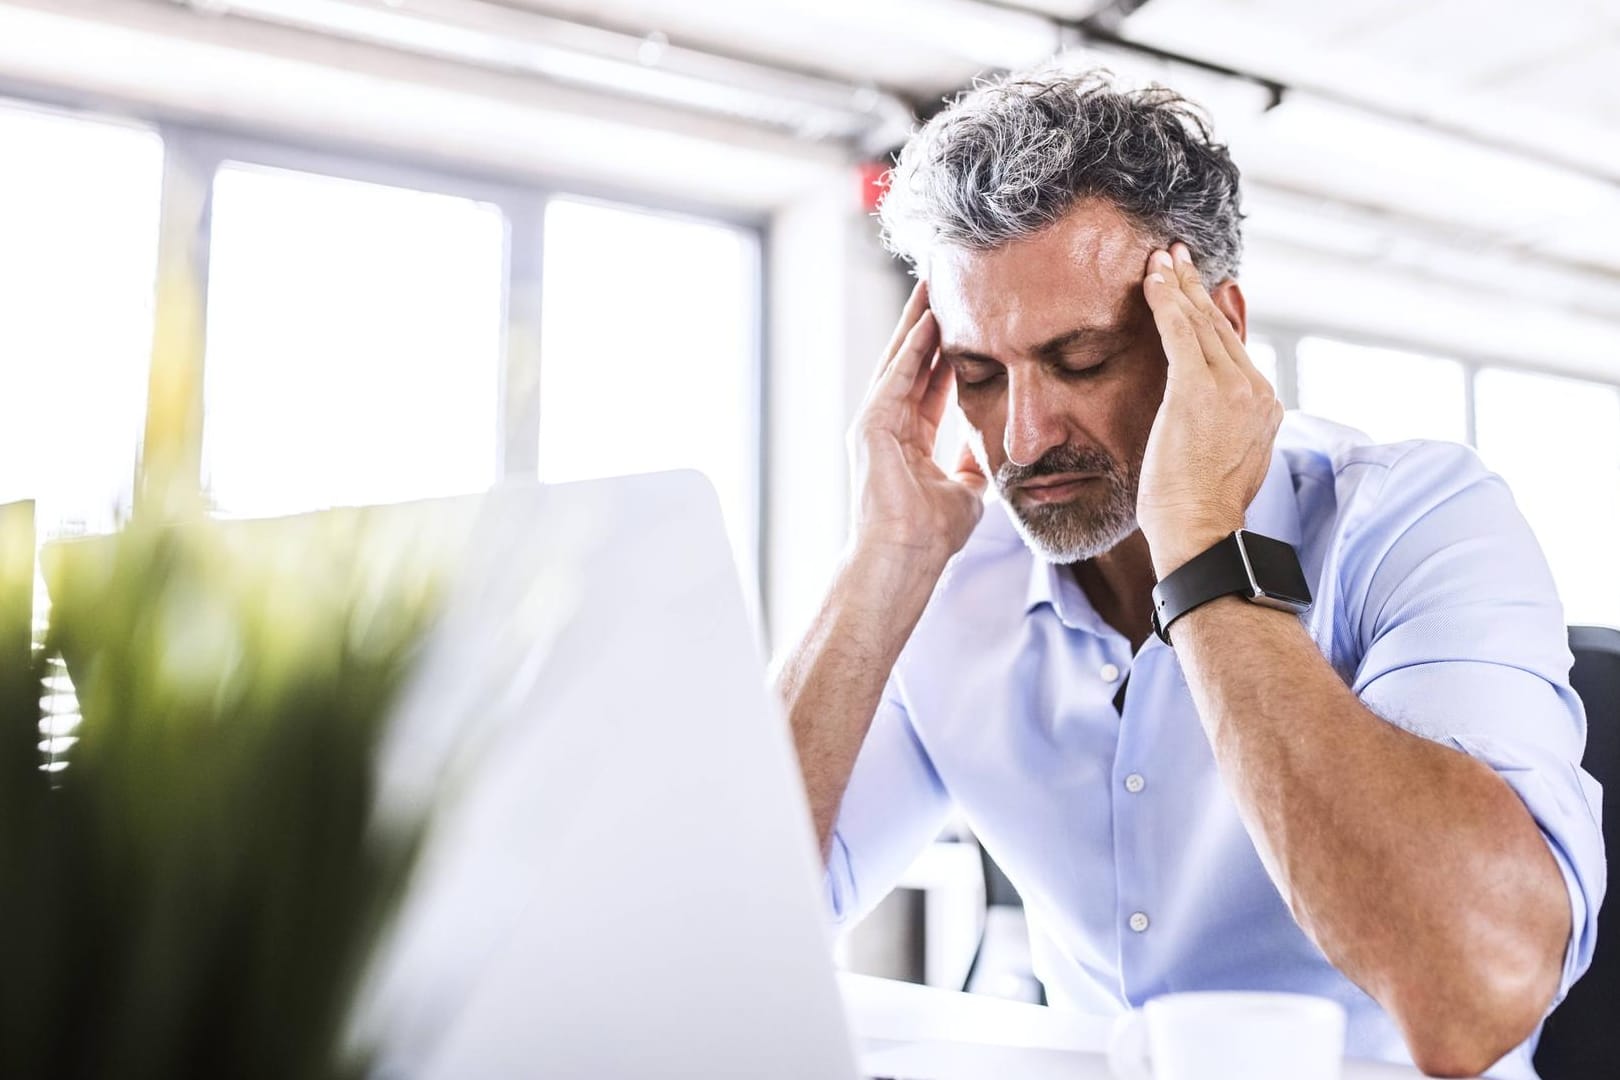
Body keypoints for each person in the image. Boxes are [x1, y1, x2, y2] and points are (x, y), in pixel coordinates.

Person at [774, 67, 1604, 1079]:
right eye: (981, 376)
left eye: (1081, 361)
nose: (1023, 437)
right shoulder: (949, 577)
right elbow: (716, 927)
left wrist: (1203, 548)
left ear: (1218, 334)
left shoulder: (1418, 521)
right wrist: (883, 564)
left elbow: (1474, 1002)